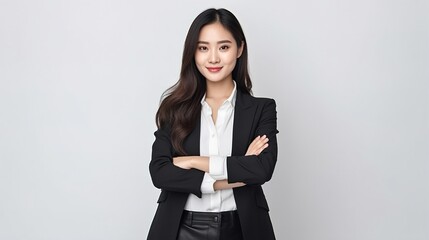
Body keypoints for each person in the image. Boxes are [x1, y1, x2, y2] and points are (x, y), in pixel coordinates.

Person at [148, 8, 278, 240]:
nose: (213, 58)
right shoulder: (174, 108)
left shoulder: (262, 109)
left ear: (239, 48)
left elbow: (261, 170)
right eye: (203, 48)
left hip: (242, 228)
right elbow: (160, 173)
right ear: (193, 52)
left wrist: (192, 161)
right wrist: (229, 177)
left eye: (224, 47)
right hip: (180, 228)